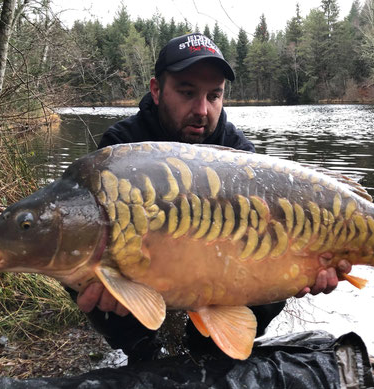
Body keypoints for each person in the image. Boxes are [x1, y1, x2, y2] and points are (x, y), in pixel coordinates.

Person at [74, 32, 352, 362]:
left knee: (275, 256)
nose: (202, 110)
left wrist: (306, 266)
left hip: (221, 263)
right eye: (188, 92)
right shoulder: (121, 146)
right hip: (154, 263)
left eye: (214, 95)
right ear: (157, 90)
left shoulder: (239, 152)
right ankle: (145, 352)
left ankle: (212, 352)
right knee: (83, 254)